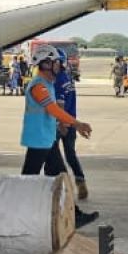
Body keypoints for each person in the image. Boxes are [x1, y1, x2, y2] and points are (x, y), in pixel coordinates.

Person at [21, 45, 98, 228]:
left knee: (59, 177)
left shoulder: (47, 84)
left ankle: (74, 215)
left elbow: (52, 113)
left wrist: (63, 124)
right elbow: (53, 109)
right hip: (39, 140)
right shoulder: (39, 85)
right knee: (27, 179)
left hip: (47, 139)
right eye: (56, 63)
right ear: (46, 63)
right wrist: (76, 124)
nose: (59, 66)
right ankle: (19, 216)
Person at [53, 50, 90, 201]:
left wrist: (60, 123)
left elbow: (60, 104)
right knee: (70, 155)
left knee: (52, 157)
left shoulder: (58, 81)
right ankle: (80, 181)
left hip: (61, 124)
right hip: (72, 122)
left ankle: (62, 187)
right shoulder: (68, 78)